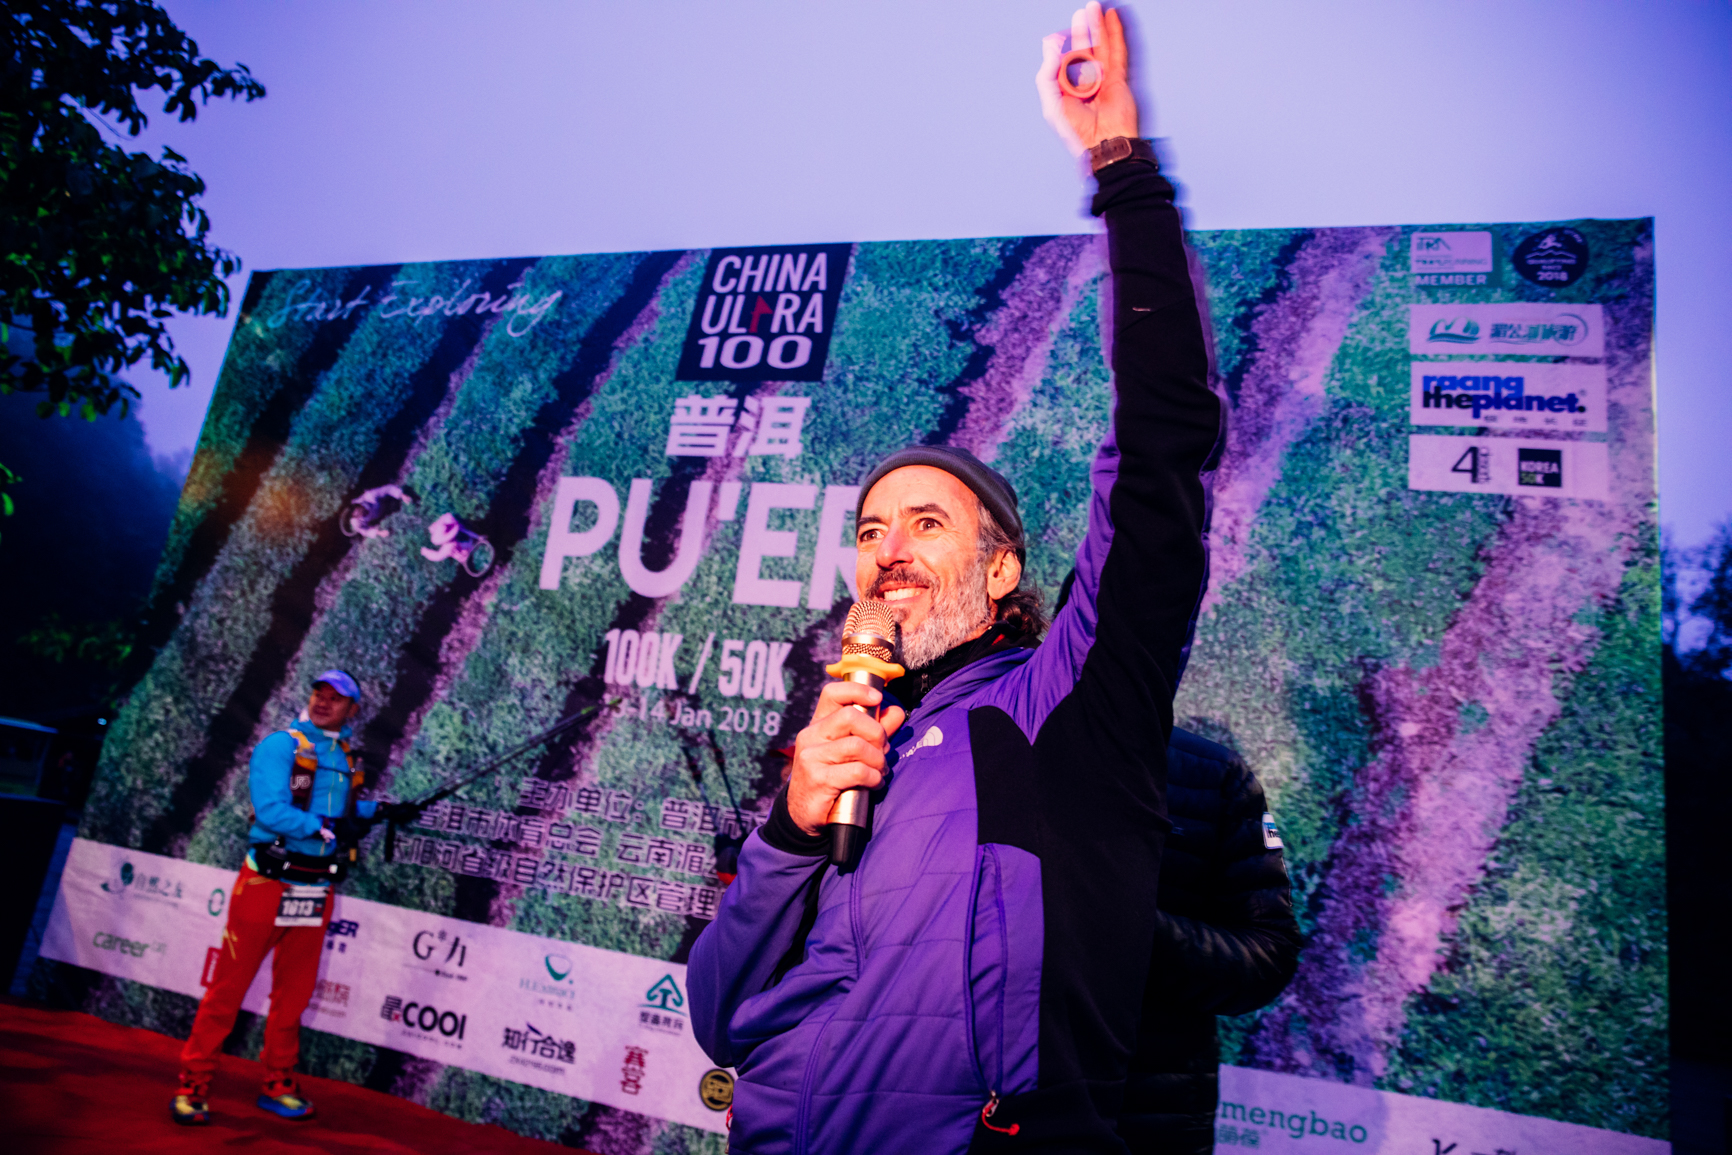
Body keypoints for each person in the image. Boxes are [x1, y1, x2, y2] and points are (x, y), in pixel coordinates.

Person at [687, 6, 1227, 1150]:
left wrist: (1120, 167)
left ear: (1001, 567)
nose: (887, 547)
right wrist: (789, 832)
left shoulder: (1065, 704)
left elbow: (1162, 450)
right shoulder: (844, 743)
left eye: (926, 524)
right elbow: (718, 1020)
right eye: (870, 528)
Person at [170, 670, 410, 1126]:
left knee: (294, 994)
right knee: (228, 989)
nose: (323, 702)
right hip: (266, 884)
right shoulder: (281, 746)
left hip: (315, 888)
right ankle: (193, 1083)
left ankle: (278, 1082)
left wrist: (379, 811)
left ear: (353, 709)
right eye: (319, 693)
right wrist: (323, 828)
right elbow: (272, 810)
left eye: (336, 698)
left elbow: (340, 810)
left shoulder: (345, 756)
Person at [1118, 728, 1301, 1154]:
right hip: (996, 1107)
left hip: (1148, 1115)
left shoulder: (1213, 774)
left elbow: (1269, 954)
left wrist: (1133, 929)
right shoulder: (982, 747)